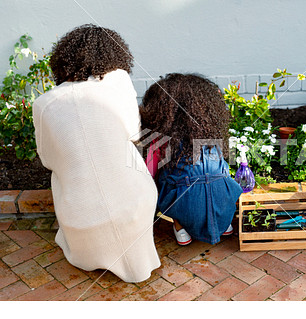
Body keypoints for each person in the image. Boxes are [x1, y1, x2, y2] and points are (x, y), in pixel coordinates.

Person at [32, 24, 160, 283]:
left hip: (79, 219)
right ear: (115, 56)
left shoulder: (43, 103)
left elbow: (47, 159)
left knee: (63, 172)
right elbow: (135, 134)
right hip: (135, 211)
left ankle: (88, 247)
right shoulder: (118, 83)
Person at [141, 73, 242, 245]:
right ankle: (223, 225)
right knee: (219, 174)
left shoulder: (162, 141)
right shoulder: (212, 137)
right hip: (223, 206)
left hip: (186, 206)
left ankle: (181, 228)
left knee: (161, 178)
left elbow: (149, 173)